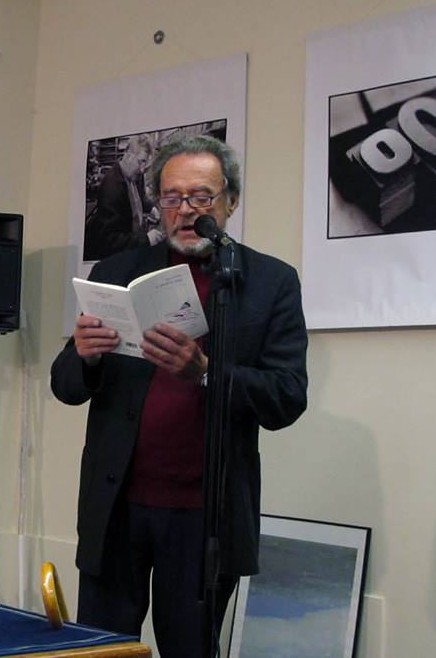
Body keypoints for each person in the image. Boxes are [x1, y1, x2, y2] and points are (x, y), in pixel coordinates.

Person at [51, 135, 308, 657]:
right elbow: (65, 386)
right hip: (115, 507)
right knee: (100, 650)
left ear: (230, 201)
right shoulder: (118, 272)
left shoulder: (269, 282)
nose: (185, 210)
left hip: (204, 519)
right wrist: (85, 354)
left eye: (201, 196)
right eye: (171, 197)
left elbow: (287, 396)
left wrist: (207, 372)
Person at [84, 134, 164, 261]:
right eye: (141, 161)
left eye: (146, 165)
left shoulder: (136, 177)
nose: (143, 170)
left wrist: (152, 208)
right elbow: (110, 241)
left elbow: (140, 198)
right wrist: (147, 239)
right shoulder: (112, 186)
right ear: (128, 154)